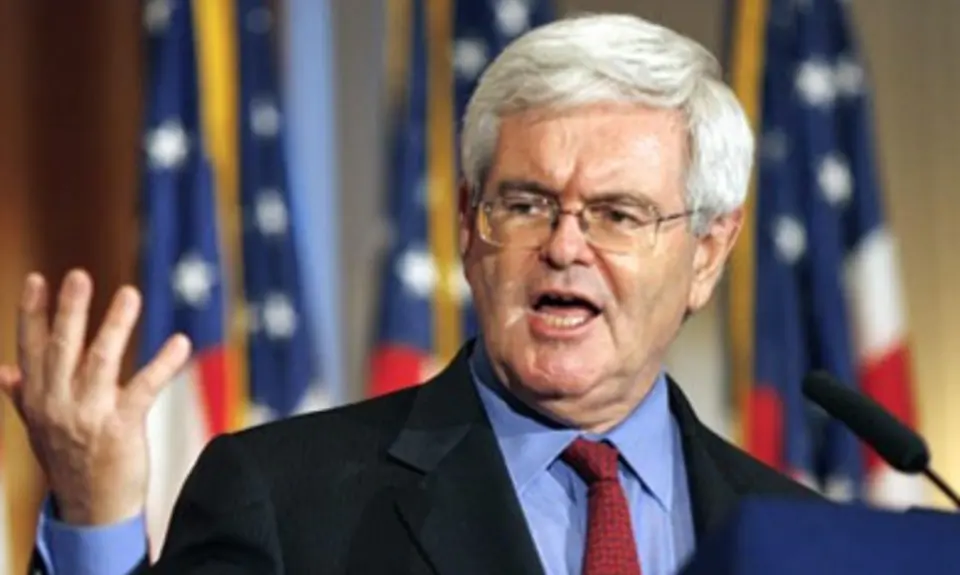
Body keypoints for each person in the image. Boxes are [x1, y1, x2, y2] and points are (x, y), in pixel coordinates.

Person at [2, 13, 817, 575]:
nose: (565, 246)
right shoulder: (283, 499)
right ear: (468, 223)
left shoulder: (798, 537)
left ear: (707, 253)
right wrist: (94, 517)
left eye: (617, 214)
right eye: (525, 203)